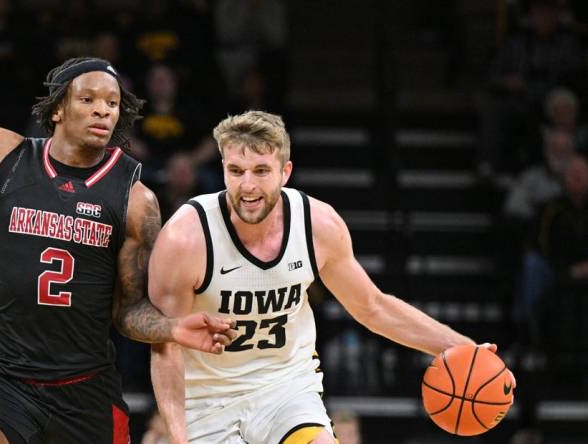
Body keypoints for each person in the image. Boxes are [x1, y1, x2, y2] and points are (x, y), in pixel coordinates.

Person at [0, 1, 235, 443]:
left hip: (84, 389)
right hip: (4, 379)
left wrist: (172, 327)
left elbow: (129, 309)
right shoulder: (5, 154)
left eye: (112, 103)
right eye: (89, 99)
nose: (103, 110)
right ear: (57, 109)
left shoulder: (135, 199)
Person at [149, 111, 513, 444]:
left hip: (284, 388)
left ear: (285, 172)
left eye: (261, 171)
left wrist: (462, 347)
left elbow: (372, 306)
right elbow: (165, 346)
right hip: (207, 398)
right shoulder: (186, 237)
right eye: (236, 171)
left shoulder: (317, 225)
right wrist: (178, 437)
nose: (247, 186)